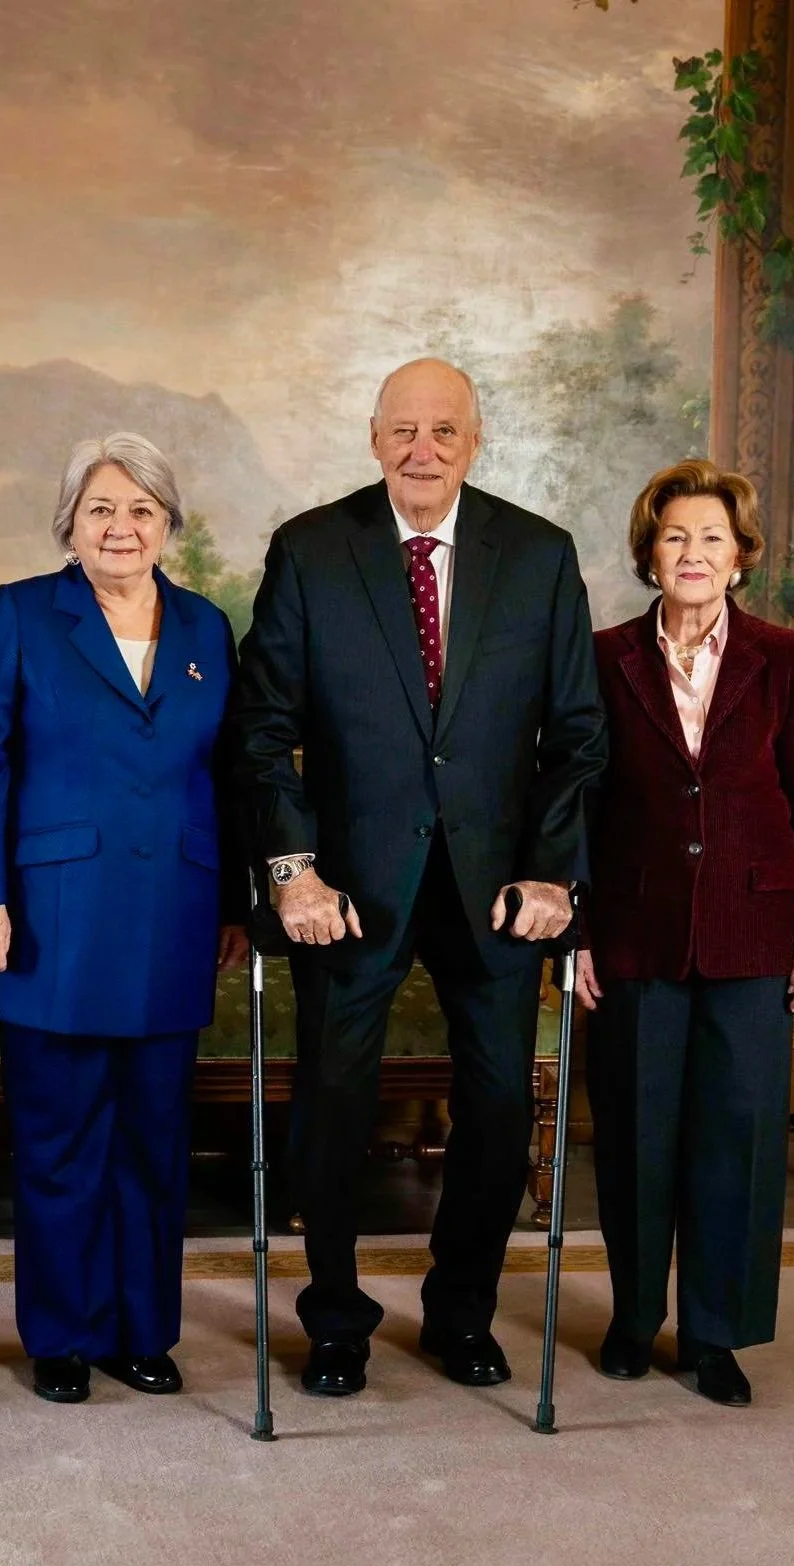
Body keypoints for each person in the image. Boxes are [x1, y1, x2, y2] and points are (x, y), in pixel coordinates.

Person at [229, 358, 606, 1396]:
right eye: (402, 430)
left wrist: (549, 872)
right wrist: (293, 873)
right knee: (332, 1104)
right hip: (346, 891)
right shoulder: (312, 549)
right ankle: (334, 1321)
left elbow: (577, 735)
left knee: (498, 1105)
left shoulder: (536, 554)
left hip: (495, 891)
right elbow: (260, 729)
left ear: (473, 440)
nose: (421, 450)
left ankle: (460, 1312)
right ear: (372, 437)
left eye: (442, 430)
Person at [0, 433, 247, 1404]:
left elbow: (227, 774)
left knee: (153, 1142)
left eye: (141, 510)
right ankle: (62, 1334)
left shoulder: (205, 627)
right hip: (52, 923)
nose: (121, 527)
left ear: (167, 524)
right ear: (68, 522)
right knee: (60, 1138)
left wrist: (235, 903)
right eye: (100, 509)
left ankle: (140, 1330)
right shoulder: (21, 612)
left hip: (173, 917)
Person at [576, 459, 794, 1406]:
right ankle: (632, 1316)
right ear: (649, 554)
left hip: (754, 928)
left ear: (740, 556)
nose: (692, 553)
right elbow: (579, 800)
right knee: (635, 1134)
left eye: (711, 538)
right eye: (674, 537)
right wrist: (576, 931)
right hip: (632, 932)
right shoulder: (603, 655)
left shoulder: (783, 654)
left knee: (735, 1135)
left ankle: (713, 1334)